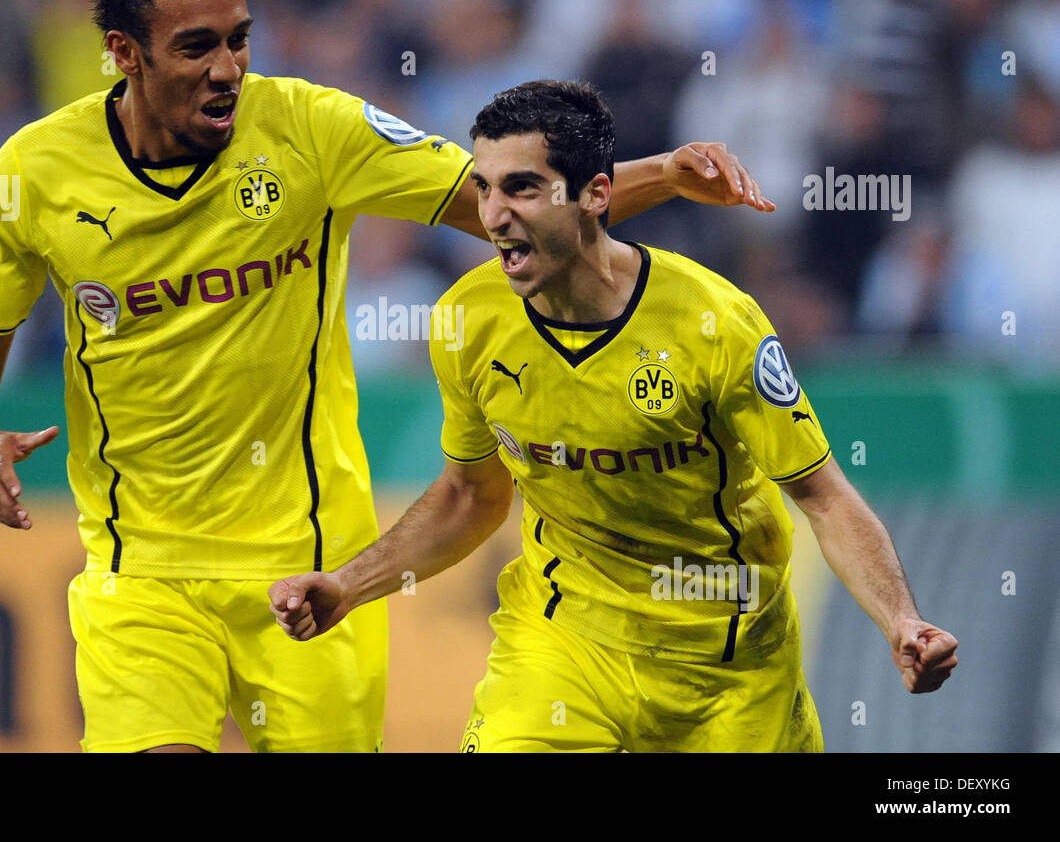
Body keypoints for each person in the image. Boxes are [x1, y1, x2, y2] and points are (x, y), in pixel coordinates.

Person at [0, 0, 773, 754]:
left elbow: (508, 210)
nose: (228, 69)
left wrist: (665, 172)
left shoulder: (310, 128)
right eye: (196, 48)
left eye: (239, 40)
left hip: (314, 571)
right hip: (140, 571)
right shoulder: (33, 175)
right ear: (124, 51)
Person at [270, 80, 958, 752]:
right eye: (484, 187)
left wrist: (901, 620)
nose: (494, 214)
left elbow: (823, 496)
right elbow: (470, 495)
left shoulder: (715, 323)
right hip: (562, 646)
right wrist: (347, 584)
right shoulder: (464, 321)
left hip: (725, 664)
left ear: (596, 194)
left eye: (523, 188)